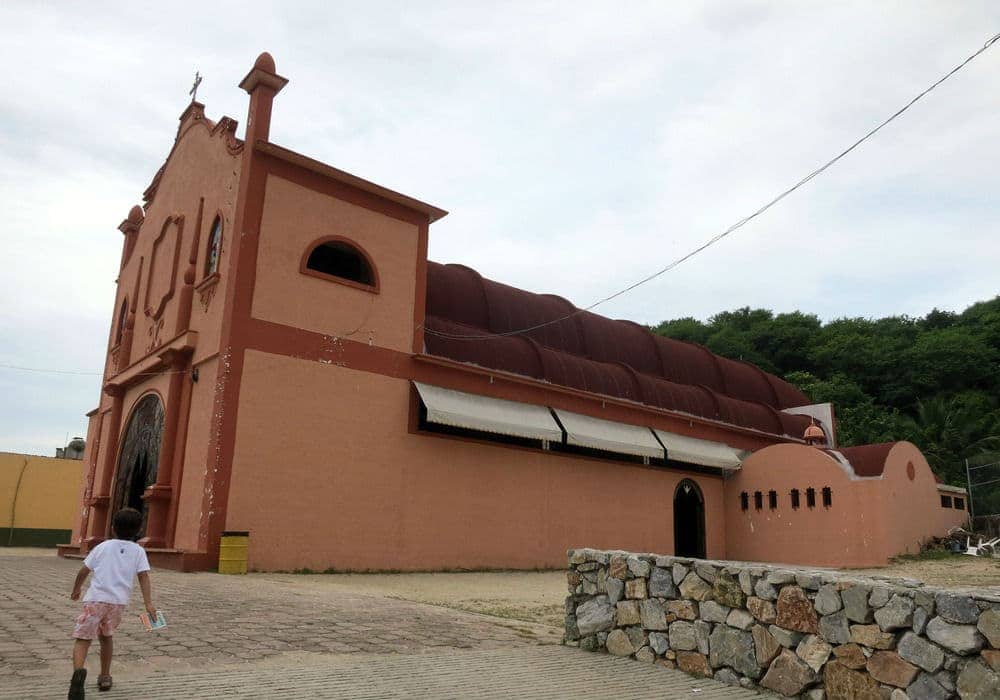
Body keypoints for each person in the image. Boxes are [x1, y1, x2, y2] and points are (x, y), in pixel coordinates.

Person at [68, 507, 156, 698]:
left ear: (113, 527)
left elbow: (84, 570)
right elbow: (144, 577)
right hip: (117, 604)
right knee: (106, 638)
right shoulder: (138, 551)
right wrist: (148, 603)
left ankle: (78, 673)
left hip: (95, 600)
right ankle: (105, 676)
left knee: (83, 639)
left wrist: (76, 589)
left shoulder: (103, 546)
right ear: (139, 530)